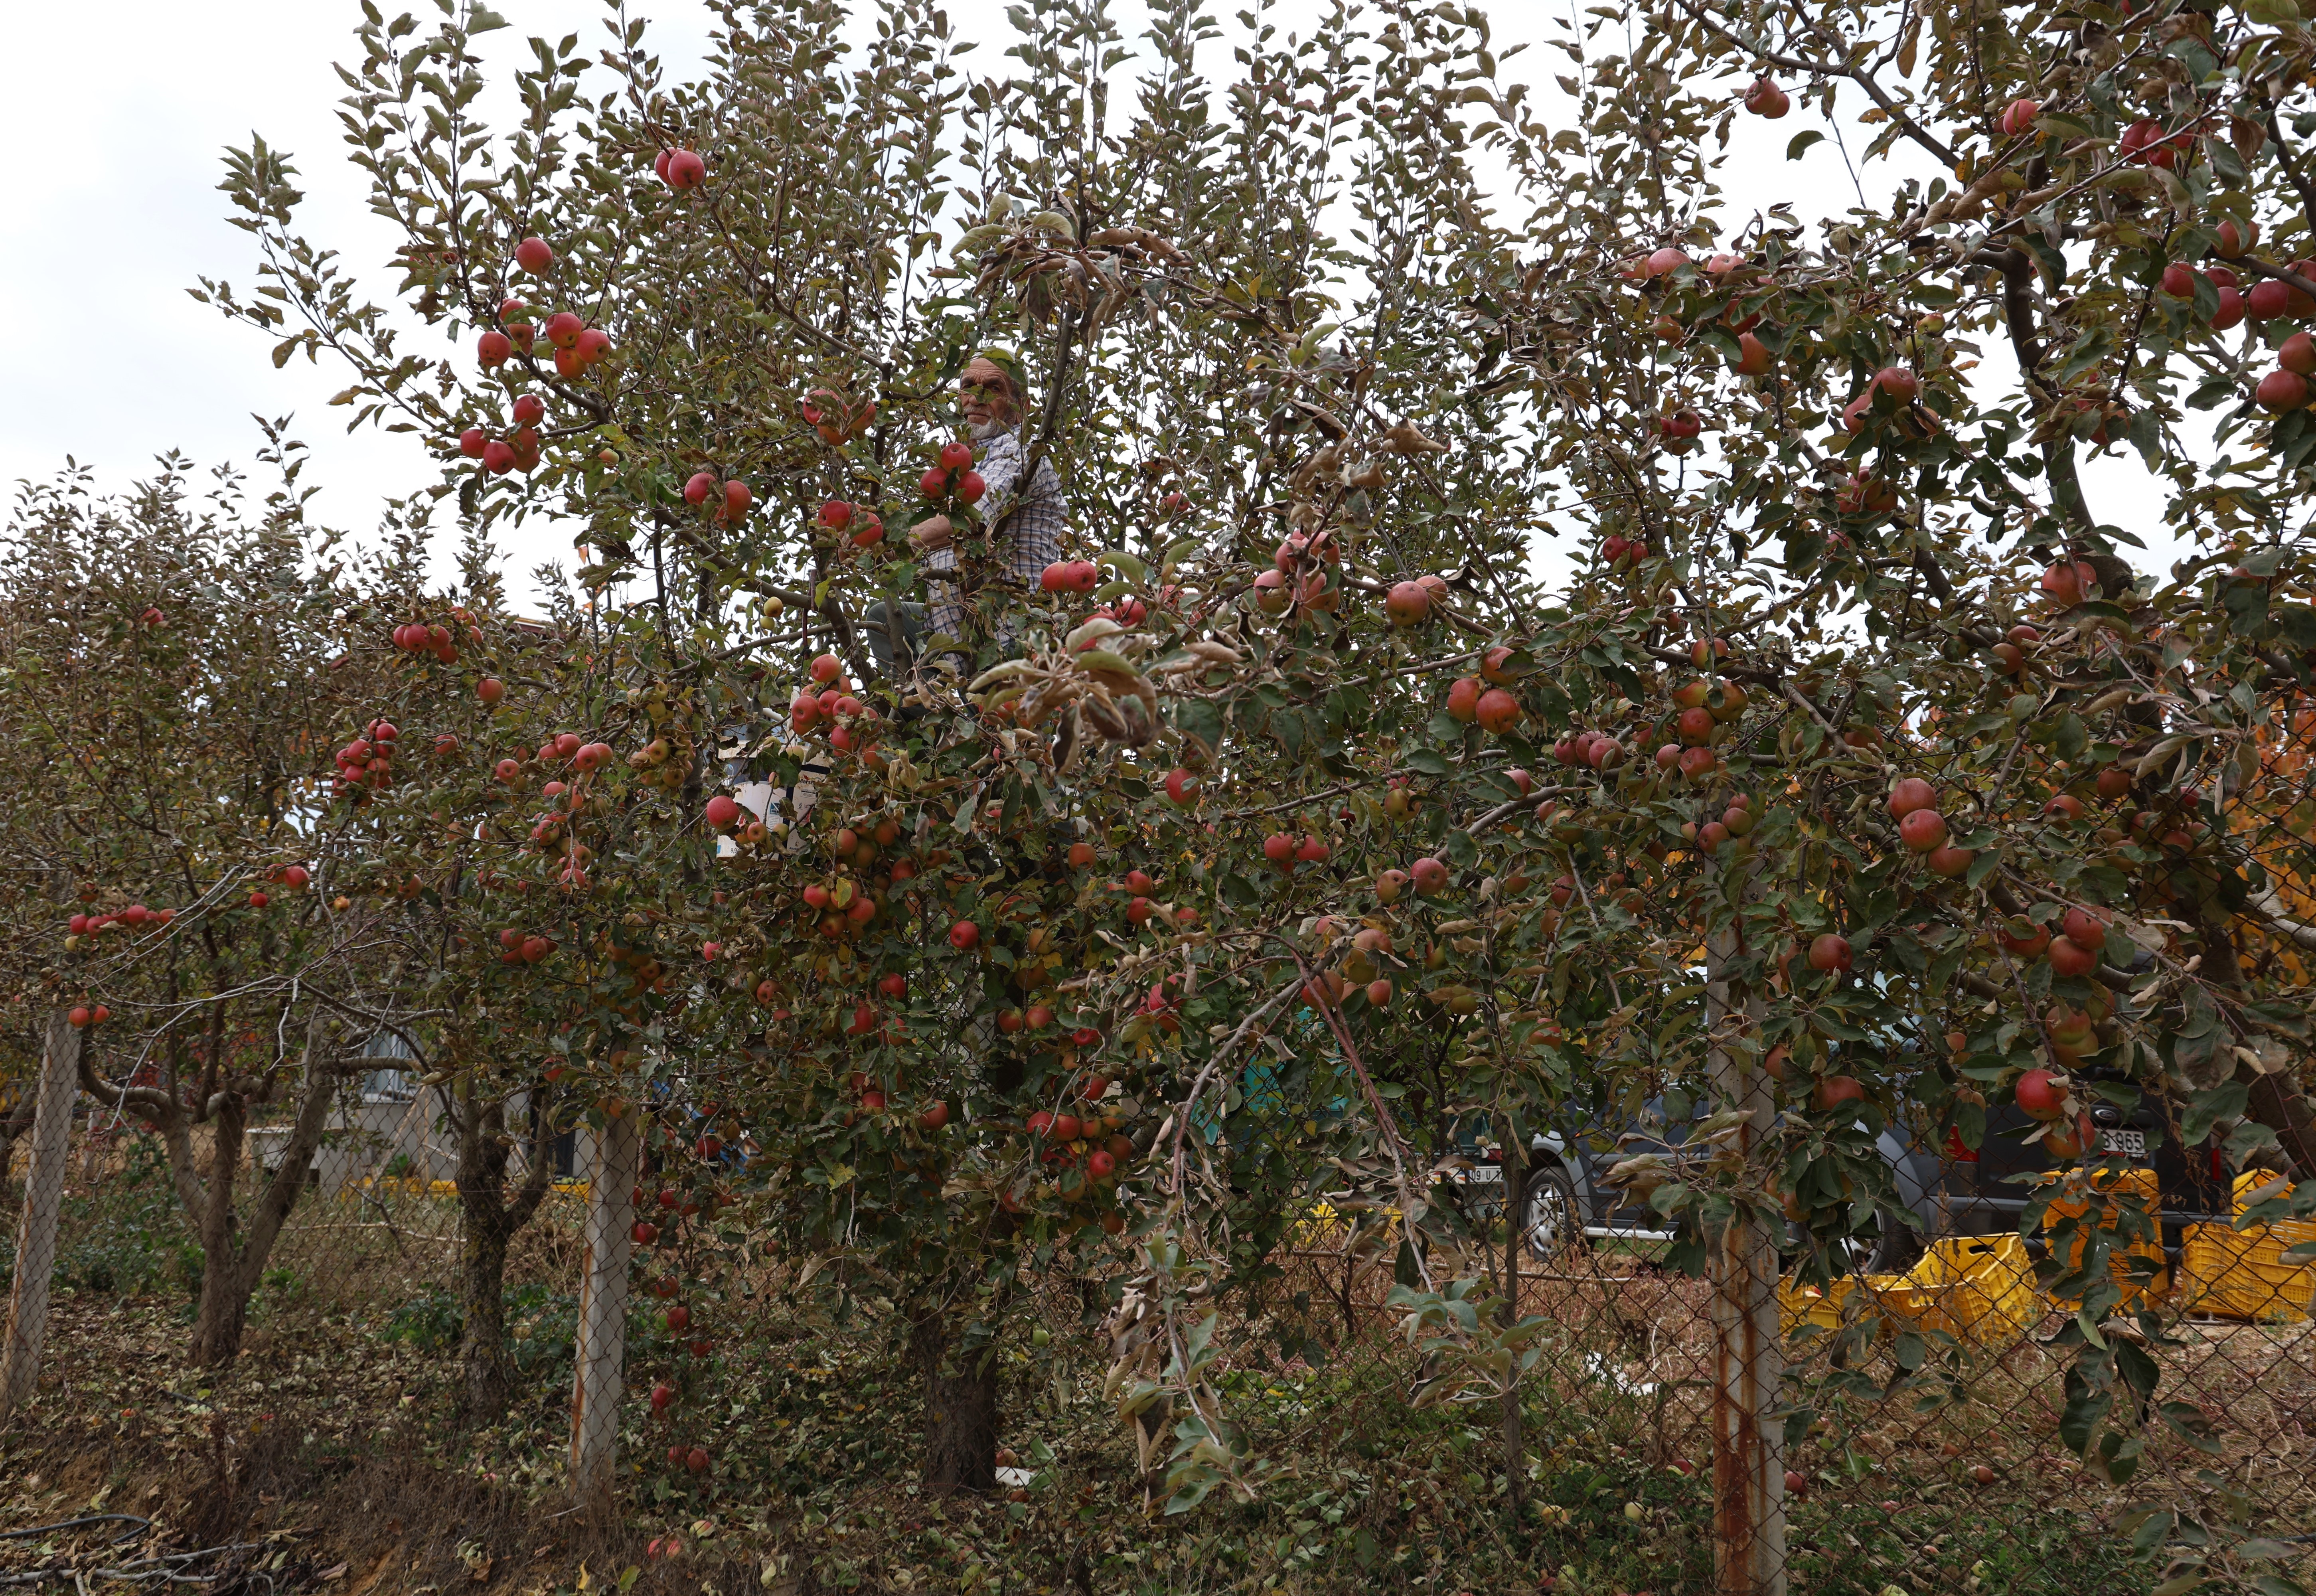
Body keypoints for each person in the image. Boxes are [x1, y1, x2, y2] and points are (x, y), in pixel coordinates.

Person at [870, 350, 1066, 675]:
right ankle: (921, 715)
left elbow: (973, 519)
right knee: (885, 619)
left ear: (1022, 408)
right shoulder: (965, 467)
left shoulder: (1022, 454)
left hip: (1009, 633)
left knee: (993, 717)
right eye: (968, 387)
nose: (976, 397)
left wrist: (887, 542)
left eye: (992, 388)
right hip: (955, 631)